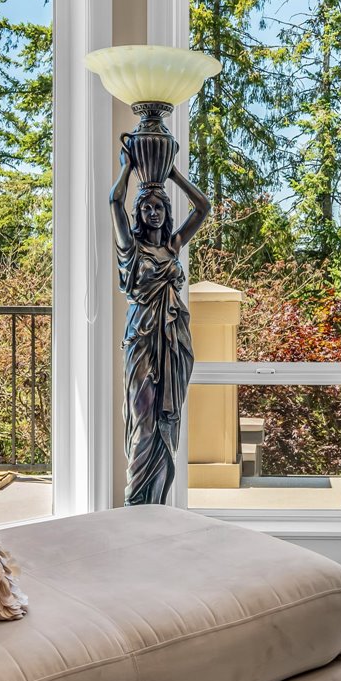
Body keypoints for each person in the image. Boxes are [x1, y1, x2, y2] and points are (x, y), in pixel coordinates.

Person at [110, 137, 211, 505]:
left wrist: (173, 175)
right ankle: (135, 502)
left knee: (167, 421)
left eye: (159, 207)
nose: (153, 212)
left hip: (173, 340)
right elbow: (114, 202)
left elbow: (203, 207)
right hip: (141, 338)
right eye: (147, 208)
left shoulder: (173, 246)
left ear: (167, 213)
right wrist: (128, 167)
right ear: (139, 214)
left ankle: (156, 505)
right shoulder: (131, 250)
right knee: (143, 422)